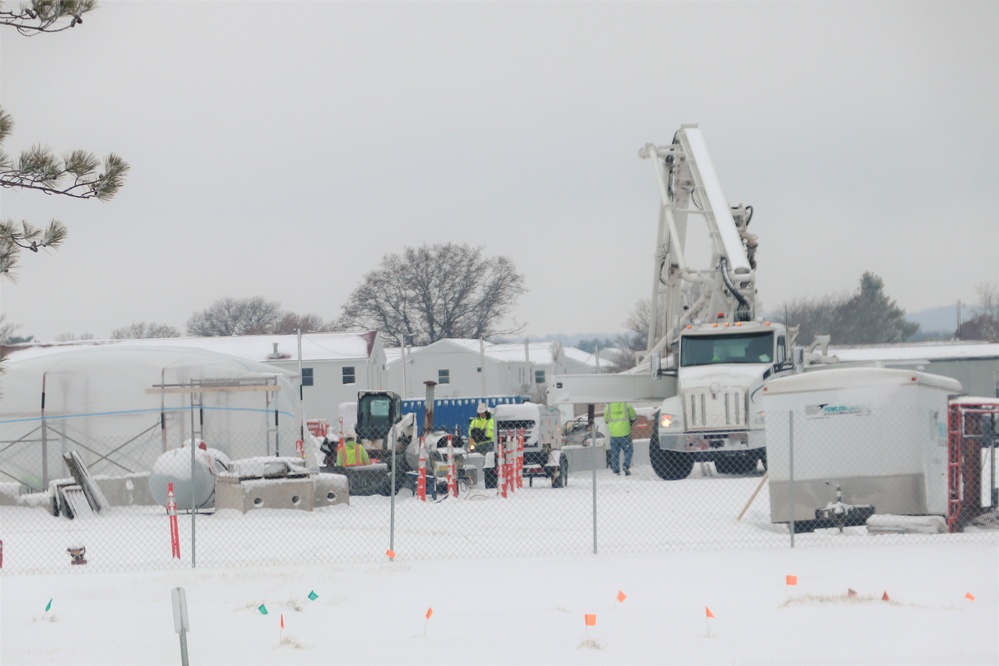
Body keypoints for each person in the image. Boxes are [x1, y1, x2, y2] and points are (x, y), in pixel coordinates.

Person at [603, 401, 637, 476]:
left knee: (615, 452)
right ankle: (626, 465)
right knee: (628, 451)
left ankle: (616, 470)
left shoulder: (608, 407)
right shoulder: (626, 405)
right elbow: (634, 417)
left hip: (614, 434)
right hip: (625, 432)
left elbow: (606, 420)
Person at [468, 402, 497, 487]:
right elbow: (470, 431)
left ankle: (490, 481)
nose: (481, 415)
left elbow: (491, 433)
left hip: (489, 445)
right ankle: (477, 480)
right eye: (480, 413)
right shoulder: (474, 421)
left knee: (489, 464)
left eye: (483, 413)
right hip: (478, 446)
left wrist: (481, 434)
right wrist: (477, 434)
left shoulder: (491, 420)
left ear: (486, 412)